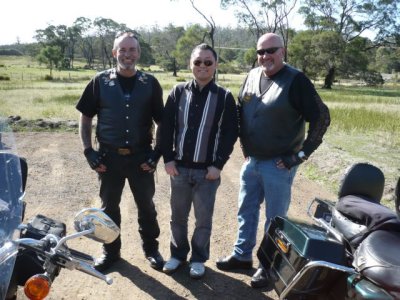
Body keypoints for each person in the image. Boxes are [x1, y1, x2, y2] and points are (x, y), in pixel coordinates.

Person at [216, 33, 330, 288]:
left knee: (275, 220)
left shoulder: (296, 80)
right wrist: (245, 145)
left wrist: (300, 156)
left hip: (279, 164)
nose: (265, 56)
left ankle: (269, 266)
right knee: (246, 211)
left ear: (283, 51)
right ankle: (242, 256)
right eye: (260, 51)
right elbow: (240, 109)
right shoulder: (253, 75)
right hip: (252, 161)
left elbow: (321, 117)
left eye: (271, 50)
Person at [76, 32, 165, 272]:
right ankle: (111, 252)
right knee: (109, 208)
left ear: (138, 53)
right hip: (108, 159)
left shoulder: (150, 83)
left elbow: (162, 123)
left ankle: (151, 249)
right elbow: (85, 118)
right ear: (114, 52)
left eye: (132, 50)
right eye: (122, 50)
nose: (128, 54)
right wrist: (88, 152)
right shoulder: (100, 82)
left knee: (146, 206)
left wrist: (156, 155)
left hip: (141, 158)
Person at [161, 43, 238, 279]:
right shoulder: (177, 92)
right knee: (178, 217)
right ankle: (177, 255)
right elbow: (165, 128)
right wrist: (168, 159)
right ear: (190, 64)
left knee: (203, 219)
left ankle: (198, 259)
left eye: (207, 62)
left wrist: (218, 164)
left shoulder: (224, 97)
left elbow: (229, 133)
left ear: (215, 65)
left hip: (207, 173)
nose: (202, 66)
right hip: (180, 169)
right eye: (197, 62)